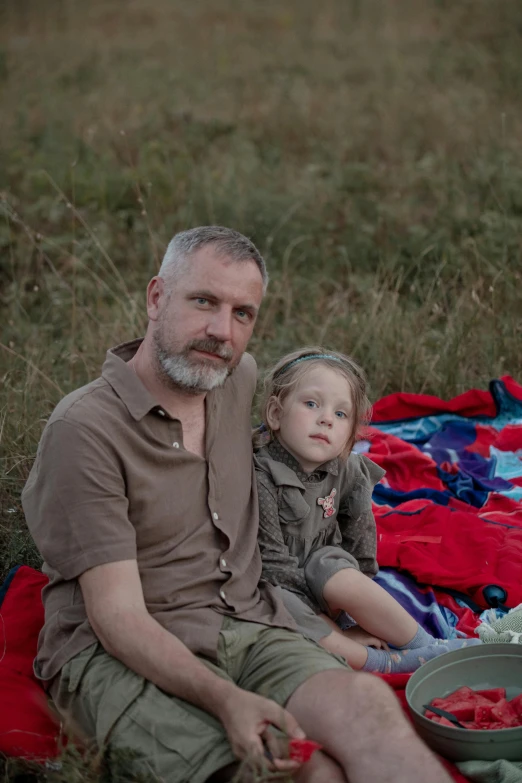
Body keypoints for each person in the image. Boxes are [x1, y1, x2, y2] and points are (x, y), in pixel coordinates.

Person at [22, 226, 454, 783]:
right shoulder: (84, 430)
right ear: (156, 298)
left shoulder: (236, 380)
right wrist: (226, 700)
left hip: (247, 622)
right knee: (302, 772)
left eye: (242, 313)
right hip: (119, 651)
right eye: (203, 301)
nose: (221, 331)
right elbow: (118, 619)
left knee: (369, 708)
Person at [254, 347, 481, 673]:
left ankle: (426, 645)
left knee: (337, 569)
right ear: (276, 414)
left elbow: (359, 535)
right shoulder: (262, 474)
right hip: (280, 583)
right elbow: (273, 564)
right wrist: (326, 622)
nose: (326, 419)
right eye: (311, 404)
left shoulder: (347, 469)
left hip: (322, 573)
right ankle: (386, 663)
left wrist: (354, 603)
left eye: (341, 414)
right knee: (278, 606)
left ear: (350, 433)